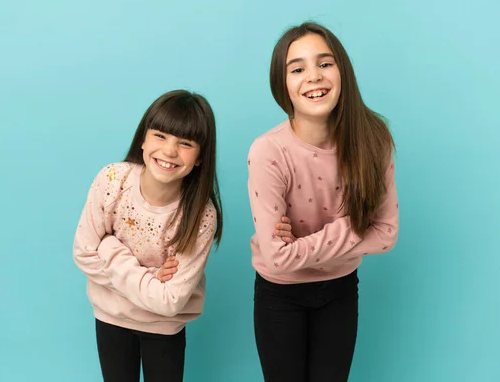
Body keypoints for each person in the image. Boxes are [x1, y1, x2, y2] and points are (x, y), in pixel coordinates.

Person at [247, 22, 399, 381]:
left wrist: (301, 243)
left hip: (341, 288)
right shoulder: (268, 151)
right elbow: (278, 258)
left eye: (325, 64)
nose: (313, 77)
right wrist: (358, 225)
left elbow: (387, 233)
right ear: (282, 84)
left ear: (342, 70)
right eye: (297, 69)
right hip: (279, 296)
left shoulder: (374, 140)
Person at [73, 90, 222, 382]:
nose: (169, 151)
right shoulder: (113, 180)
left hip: (163, 329)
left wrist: (110, 249)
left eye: (185, 143)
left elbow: (170, 301)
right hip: (110, 318)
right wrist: (152, 275)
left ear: (200, 157)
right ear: (143, 139)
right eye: (160, 136)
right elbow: (83, 253)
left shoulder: (201, 215)